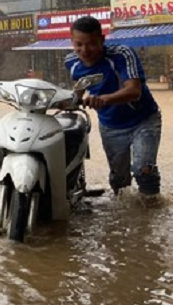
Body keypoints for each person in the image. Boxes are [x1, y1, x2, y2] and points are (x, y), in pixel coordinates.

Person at [66, 16, 162, 199]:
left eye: (92, 44)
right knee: (119, 180)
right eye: (78, 44)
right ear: (71, 41)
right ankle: (125, 213)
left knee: (144, 170)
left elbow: (134, 91)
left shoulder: (122, 54)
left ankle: (150, 211)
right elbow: (77, 93)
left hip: (143, 120)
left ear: (102, 40)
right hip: (110, 126)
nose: (84, 50)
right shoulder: (71, 62)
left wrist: (102, 99)